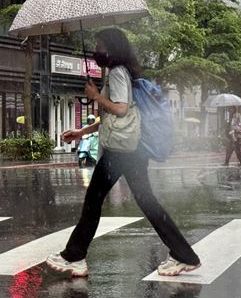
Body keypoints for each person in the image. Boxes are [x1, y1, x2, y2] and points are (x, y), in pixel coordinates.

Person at [46, 28, 201, 277]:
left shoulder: (117, 73)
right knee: (145, 200)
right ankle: (184, 254)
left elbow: (120, 109)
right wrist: (82, 132)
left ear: (112, 48)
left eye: (100, 45)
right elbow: (119, 117)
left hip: (122, 150)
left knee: (94, 199)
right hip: (132, 148)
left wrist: (96, 96)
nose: (97, 50)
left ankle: (75, 255)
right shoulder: (123, 72)